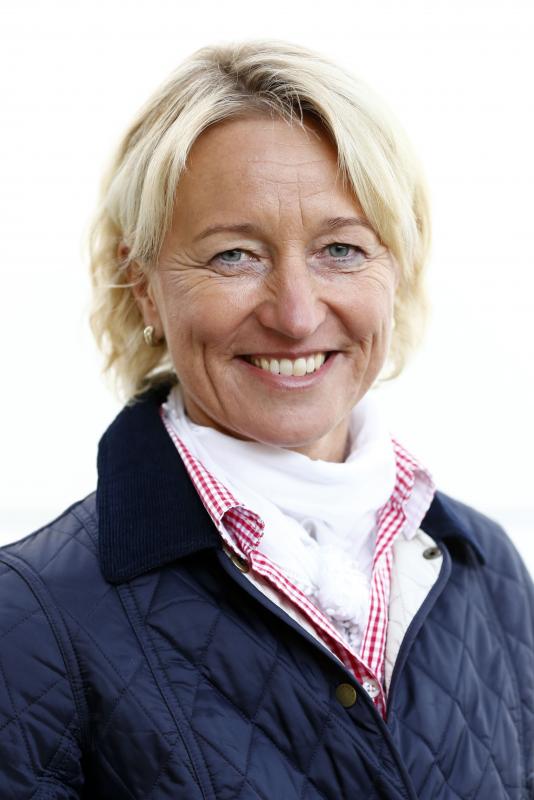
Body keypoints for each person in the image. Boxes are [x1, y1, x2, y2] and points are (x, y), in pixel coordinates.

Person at [0, 38, 532, 800]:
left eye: (341, 250)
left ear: (397, 266)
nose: (296, 314)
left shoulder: (486, 570)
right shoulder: (29, 618)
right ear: (142, 284)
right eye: (235, 257)